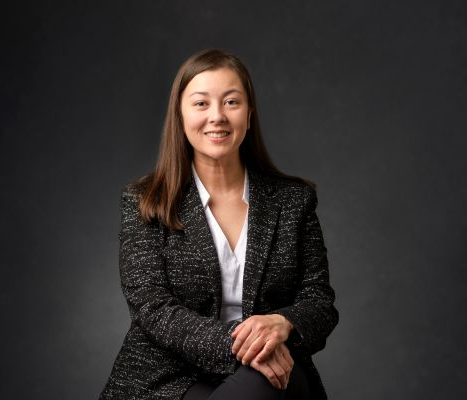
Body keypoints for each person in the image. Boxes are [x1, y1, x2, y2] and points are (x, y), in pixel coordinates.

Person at [99, 48, 338, 400]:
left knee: (262, 384)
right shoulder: (145, 200)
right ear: (179, 115)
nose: (217, 117)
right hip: (167, 376)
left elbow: (318, 301)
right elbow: (152, 307)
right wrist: (241, 346)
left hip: (272, 372)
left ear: (249, 114)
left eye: (231, 102)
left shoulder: (292, 200)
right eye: (201, 103)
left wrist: (283, 323)